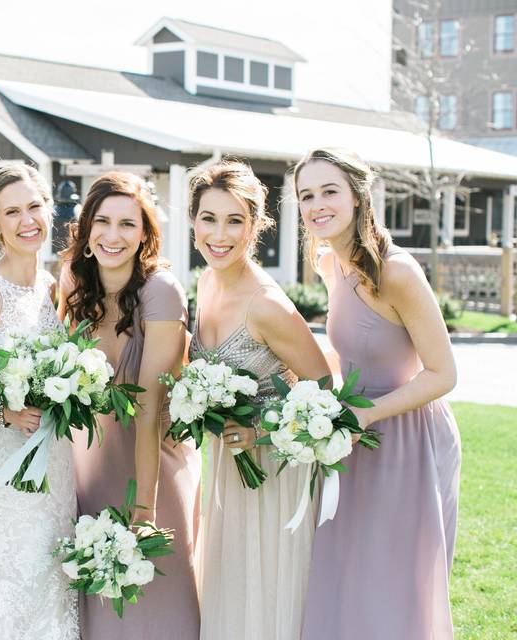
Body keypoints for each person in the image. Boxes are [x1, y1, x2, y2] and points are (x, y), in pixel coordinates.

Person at [294, 148, 460, 640]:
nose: (317, 204)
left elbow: (443, 373)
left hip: (408, 440)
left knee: (395, 587)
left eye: (329, 191)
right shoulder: (329, 263)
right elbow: (349, 354)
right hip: (348, 438)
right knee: (347, 577)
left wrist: (365, 417)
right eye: (307, 195)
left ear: (357, 196)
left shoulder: (397, 272)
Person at [186, 161, 331, 639]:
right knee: (232, 579)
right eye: (209, 218)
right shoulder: (204, 284)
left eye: (234, 221)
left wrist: (260, 430)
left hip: (273, 469)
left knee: (268, 586)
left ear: (255, 226)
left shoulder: (266, 304)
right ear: (193, 222)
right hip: (228, 463)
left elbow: (324, 389)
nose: (219, 234)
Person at [58, 171, 200, 639]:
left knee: (159, 596)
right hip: (91, 465)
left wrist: (145, 509)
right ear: (86, 229)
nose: (113, 236)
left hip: (152, 463)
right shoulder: (75, 287)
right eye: (103, 221)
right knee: (101, 602)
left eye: (127, 224)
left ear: (145, 234)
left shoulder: (160, 291)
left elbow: (147, 405)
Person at [0, 165, 79, 640]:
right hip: (9, 467)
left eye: (34, 206)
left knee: (53, 578)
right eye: (12, 212)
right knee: (15, 578)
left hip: (58, 461)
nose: (28, 220)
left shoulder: (54, 285)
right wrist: (6, 412)